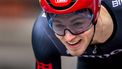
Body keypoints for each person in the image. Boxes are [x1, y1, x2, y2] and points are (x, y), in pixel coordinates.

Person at [32, 0, 122, 69]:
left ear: (96, 13)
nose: (69, 38)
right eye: (59, 25)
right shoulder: (44, 33)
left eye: (77, 24)